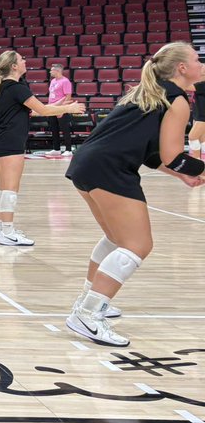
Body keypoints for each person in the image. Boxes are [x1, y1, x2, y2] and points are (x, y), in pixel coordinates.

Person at [63, 42, 204, 346]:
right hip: (108, 168)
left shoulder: (147, 92)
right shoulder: (176, 100)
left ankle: (88, 300)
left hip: (87, 164)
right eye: (197, 60)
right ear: (182, 68)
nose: (201, 64)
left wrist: (181, 173)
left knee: (117, 239)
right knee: (138, 244)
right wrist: (188, 168)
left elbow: (151, 153)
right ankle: (88, 314)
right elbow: (173, 155)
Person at [0, 50, 85, 247]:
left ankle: (0, 228)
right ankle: (8, 232)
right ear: (14, 66)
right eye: (21, 59)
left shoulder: (5, 86)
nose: (25, 61)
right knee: (10, 189)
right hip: (10, 142)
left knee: (2, 188)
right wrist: (69, 108)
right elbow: (43, 110)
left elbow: (33, 110)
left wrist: (59, 105)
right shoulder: (16, 87)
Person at [46, 63, 75, 154]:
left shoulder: (65, 81)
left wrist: (62, 109)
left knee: (65, 129)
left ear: (57, 71)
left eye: (52, 70)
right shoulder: (53, 81)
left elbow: (68, 97)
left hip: (61, 109)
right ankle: (56, 149)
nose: (50, 71)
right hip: (52, 108)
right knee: (54, 129)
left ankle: (68, 149)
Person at [191, 79, 205, 160]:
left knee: (192, 137)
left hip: (203, 116)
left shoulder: (202, 84)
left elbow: (187, 86)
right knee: (202, 140)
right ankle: (202, 162)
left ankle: (196, 161)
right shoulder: (199, 82)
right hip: (197, 115)